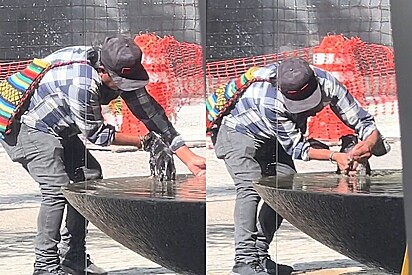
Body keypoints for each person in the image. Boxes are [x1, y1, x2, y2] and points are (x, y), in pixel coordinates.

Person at [0, 35, 206, 275]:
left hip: (56, 122)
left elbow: (148, 110)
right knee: (56, 189)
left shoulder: (114, 66)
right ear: (102, 71)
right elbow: (96, 134)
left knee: (88, 176)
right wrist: (145, 142)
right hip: (25, 126)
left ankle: (74, 258)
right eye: (120, 83)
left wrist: (188, 157)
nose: (123, 88)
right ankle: (45, 266)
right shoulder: (82, 83)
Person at [209, 57, 390, 275]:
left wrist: (368, 144)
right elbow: (298, 148)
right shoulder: (270, 99)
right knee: (249, 185)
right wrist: (335, 156)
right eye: (300, 105)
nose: (310, 111)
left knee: (284, 187)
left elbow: (363, 121)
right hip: (237, 131)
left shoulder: (328, 82)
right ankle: (244, 261)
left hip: (271, 137)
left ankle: (259, 254)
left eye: (311, 102)